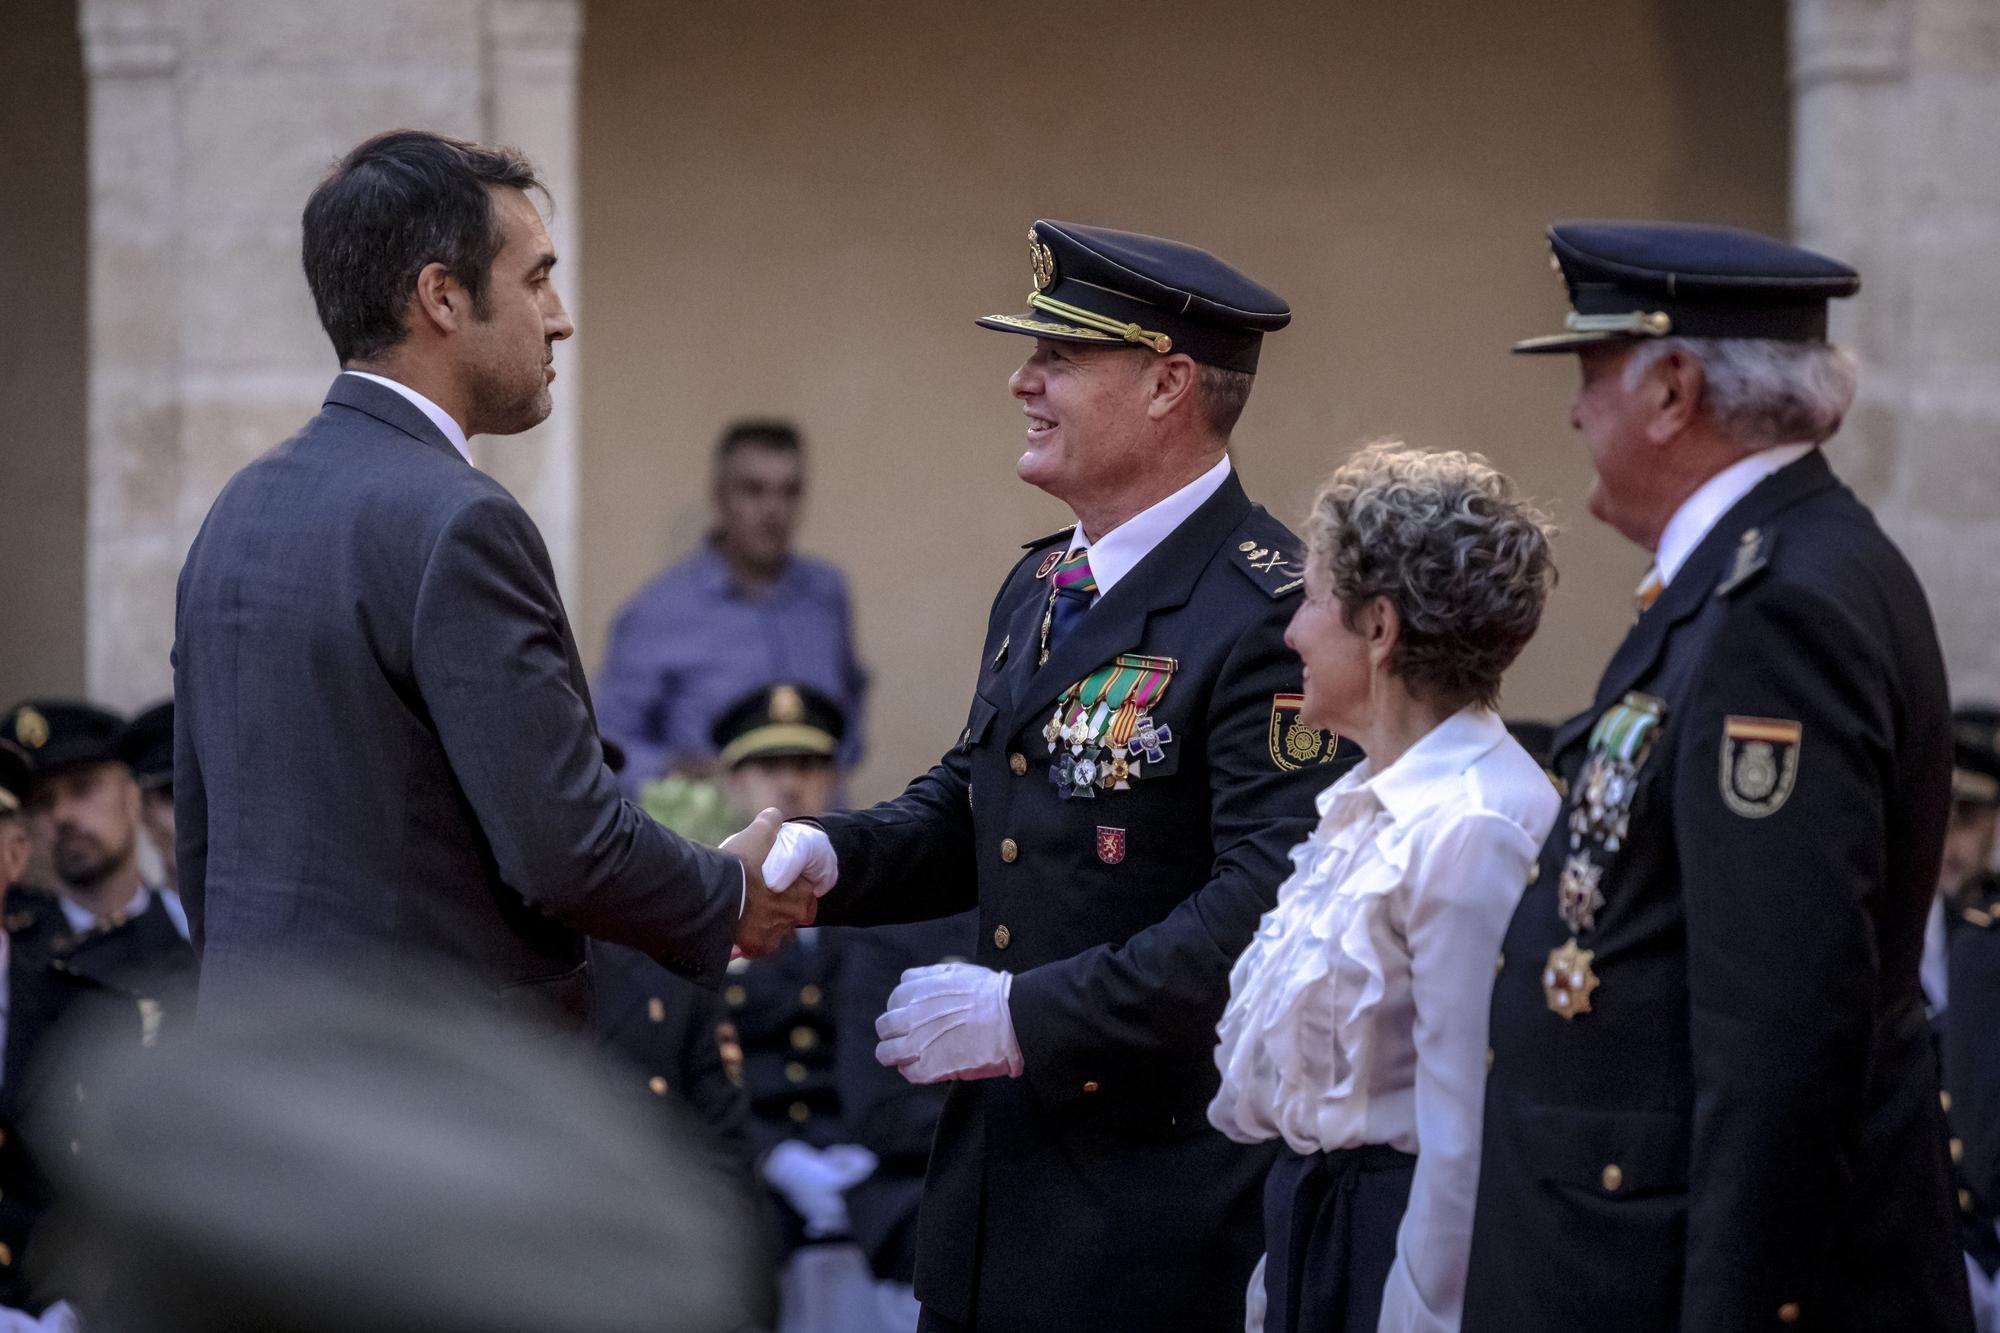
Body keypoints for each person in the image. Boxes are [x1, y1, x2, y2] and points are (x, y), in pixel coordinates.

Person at [763, 220, 1352, 1332]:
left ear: (1169, 383)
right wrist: (830, 856)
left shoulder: (1265, 609)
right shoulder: (1041, 581)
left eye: (1061, 357)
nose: (1020, 379)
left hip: (1153, 1205)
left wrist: (1026, 1015)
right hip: (995, 1191)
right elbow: (978, 797)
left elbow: (1270, 900)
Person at [172, 130, 812, 1031]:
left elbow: (202, 845)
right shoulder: (460, 520)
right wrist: (728, 886)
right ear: (441, 296)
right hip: (438, 1102)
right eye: (536, 277)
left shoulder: (236, 511)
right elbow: (566, 848)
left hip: (262, 1085)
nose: (560, 316)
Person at [1465, 221, 1973, 1331]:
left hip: (1671, 1266)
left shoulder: (1777, 601)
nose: (1572, 410)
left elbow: (1782, 1019)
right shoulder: (1758, 570)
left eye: (1590, 375)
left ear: (1671, 391)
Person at [1209, 443, 1560, 1333]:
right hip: (1327, 1225)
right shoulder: (1373, 800)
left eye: (1315, 597)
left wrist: (1417, 1313)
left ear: (1379, 627)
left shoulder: (1474, 821)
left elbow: (1467, 1135)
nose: (1291, 629)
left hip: (1401, 1247)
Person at [0, 704, 195, 1318]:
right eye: (43, 801)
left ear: (132, 799)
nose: (62, 816)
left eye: (82, 790)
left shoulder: (196, 937)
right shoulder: (19, 955)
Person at [596, 420, 870, 789]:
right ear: (720, 497)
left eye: (790, 491)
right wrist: (684, 773)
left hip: (819, 834)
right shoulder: (658, 611)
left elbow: (849, 702)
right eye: (754, 490)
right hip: (711, 839)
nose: (774, 509)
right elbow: (607, 747)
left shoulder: (827, 594)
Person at [113, 700, 188, 939]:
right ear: (142, 810)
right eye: (176, 794)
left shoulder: (296, 944)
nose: (203, 818)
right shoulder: (112, 963)